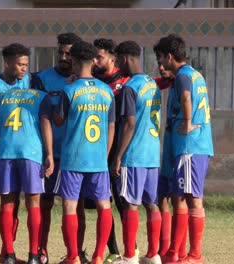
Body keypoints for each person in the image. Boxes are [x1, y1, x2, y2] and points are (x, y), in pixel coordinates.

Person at [31, 32, 91, 264]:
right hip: (48, 154)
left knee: (78, 207)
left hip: (75, 156)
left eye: (69, 53)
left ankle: (76, 252)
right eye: (61, 52)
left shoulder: (87, 84)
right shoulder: (42, 79)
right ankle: (41, 251)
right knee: (45, 204)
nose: (64, 57)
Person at [54, 40, 115, 264]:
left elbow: (58, 121)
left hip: (73, 159)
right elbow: (111, 126)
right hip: (98, 159)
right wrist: (105, 154)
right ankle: (99, 256)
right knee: (104, 205)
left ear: (74, 60)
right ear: (92, 61)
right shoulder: (106, 90)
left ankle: (73, 257)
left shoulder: (70, 90)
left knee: (70, 205)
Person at [155, 34, 214, 264]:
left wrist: (188, 122)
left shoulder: (182, 77)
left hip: (191, 146)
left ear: (170, 56)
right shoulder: (193, 74)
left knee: (192, 198)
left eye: (161, 58)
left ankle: (195, 255)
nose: (160, 64)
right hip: (192, 146)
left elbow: (186, 97)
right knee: (180, 196)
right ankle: (175, 253)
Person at [112, 40, 162, 264]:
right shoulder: (152, 83)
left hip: (134, 154)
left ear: (123, 59)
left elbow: (129, 124)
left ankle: (130, 255)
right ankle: (153, 255)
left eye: (117, 61)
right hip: (152, 153)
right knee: (152, 204)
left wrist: (119, 156)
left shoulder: (130, 87)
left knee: (131, 204)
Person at [0, 87, 54, 264]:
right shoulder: (42, 97)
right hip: (31, 153)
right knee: (34, 203)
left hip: (5, 152)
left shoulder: (0, 98)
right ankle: (34, 256)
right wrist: (49, 153)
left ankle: (9, 256)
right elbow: (45, 123)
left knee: (7, 203)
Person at [0, 43, 31, 264]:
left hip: (20, 151)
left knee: (15, 205)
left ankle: (8, 252)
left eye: (26, 64)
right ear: (7, 63)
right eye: (20, 64)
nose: (24, 69)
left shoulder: (28, 81)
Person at [92, 38, 130, 264]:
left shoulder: (126, 81)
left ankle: (131, 249)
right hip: (97, 151)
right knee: (102, 202)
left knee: (123, 201)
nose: (95, 61)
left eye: (100, 57)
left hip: (120, 152)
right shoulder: (91, 81)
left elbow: (156, 82)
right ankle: (113, 250)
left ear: (113, 59)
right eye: (94, 57)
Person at [151, 50, 188, 260]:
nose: (161, 68)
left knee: (179, 198)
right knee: (161, 197)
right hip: (166, 145)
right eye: (159, 65)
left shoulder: (183, 81)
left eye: (163, 63)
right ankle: (164, 250)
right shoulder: (170, 84)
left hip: (180, 147)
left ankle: (177, 251)